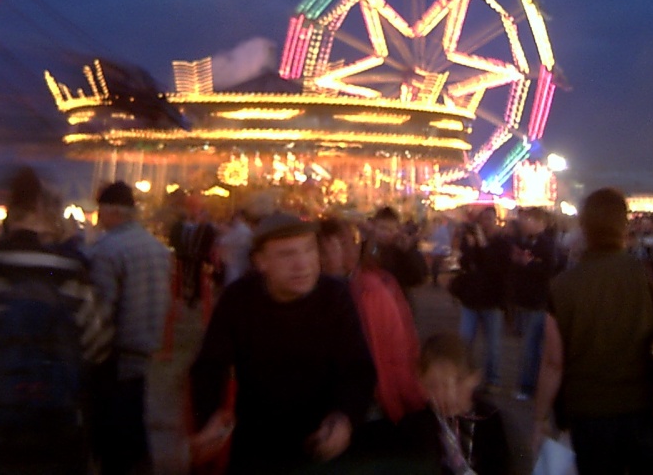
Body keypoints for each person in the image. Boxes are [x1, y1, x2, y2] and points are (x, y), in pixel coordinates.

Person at [533, 187, 653, 475]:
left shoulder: (563, 285)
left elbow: (553, 362)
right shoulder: (651, 275)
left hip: (589, 414)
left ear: (584, 228)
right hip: (649, 412)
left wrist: (540, 418)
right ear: (624, 225)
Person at [0, 167, 112, 475]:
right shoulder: (69, 271)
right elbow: (98, 345)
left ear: (9, 208)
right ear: (40, 207)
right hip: (58, 427)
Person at [189, 211, 376, 474]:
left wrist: (345, 418)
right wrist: (208, 418)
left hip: (321, 440)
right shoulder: (239, 299)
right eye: (287, 254)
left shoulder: (334, 297)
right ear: (261, 261)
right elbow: (209, 367)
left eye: (309, 250)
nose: (303, 264)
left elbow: (358, 368)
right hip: (256, 441)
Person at [88, 181, 172, 475]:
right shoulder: (156, 248)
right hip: (146, 342)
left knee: (114, 429)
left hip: (115, 351)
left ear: (111, 211)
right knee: (134, 419)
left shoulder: (107, 250)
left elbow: (101, 307)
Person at [318, 217, 426, 427]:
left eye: (344, 243)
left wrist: (407, 400)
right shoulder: (341, 288)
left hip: (375, 402)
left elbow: (396, 352)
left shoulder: (369, 290)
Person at [398, 332, 510, 475]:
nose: (446, 395)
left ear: (475, 378)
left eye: (458, 382)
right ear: (421, 383)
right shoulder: (417, 426)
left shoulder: (490, 420)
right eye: (433, 385)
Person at [448, 206, 509, 391]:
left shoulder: (502, 242)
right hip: (471, 299)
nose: (485, 223)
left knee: (492, 345)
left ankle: (493, 379)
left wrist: (483, 245)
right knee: (465, 340)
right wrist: (470, 247)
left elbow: (495, 268)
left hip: (492, 300)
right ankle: (463, 374)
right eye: (483, 219)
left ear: (495, 221)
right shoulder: (472, 239)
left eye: (489, 219)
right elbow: (466, 264)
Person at [507, 206, 558, 400]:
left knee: (530, 346)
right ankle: (532, 383)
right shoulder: (525, 241)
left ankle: (528, 386)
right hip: (527, 299)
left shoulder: (546, 244)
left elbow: (548, 270)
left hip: (538, 301)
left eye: (528, 220)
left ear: (540, 223)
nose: (524, 223)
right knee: (532, 346)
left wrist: (529, 263)